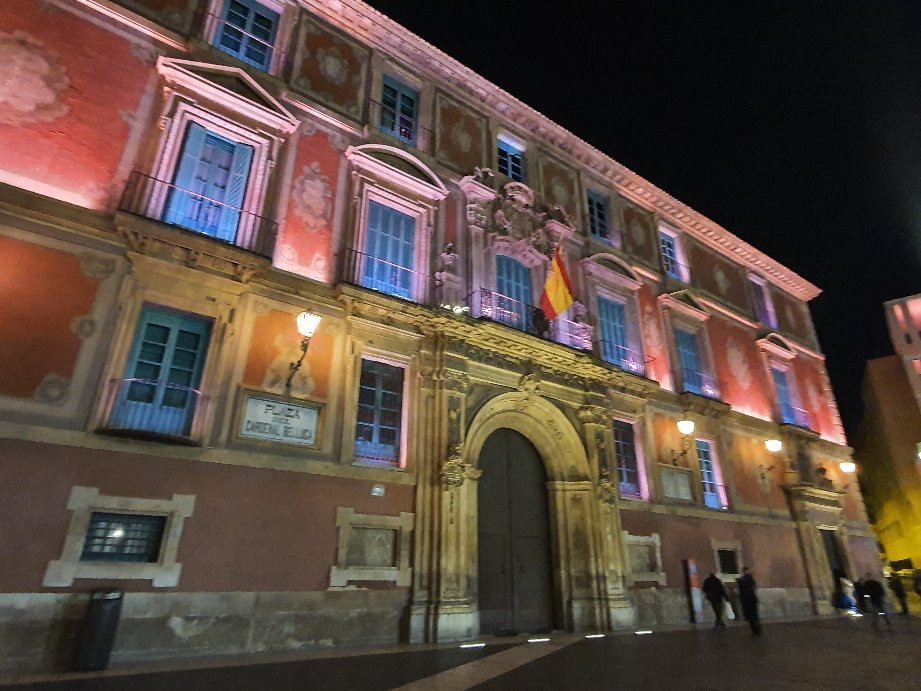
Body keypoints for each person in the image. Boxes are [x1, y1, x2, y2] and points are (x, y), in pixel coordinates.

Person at [737, 567, 762, 635]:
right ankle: (756, 630)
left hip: (748, 601)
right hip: (750, 600)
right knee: (753, 616)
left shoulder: (744, 579)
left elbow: (743, 590)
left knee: (752, 616)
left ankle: (755, 630)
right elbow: (752, 588)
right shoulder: (747, 579)